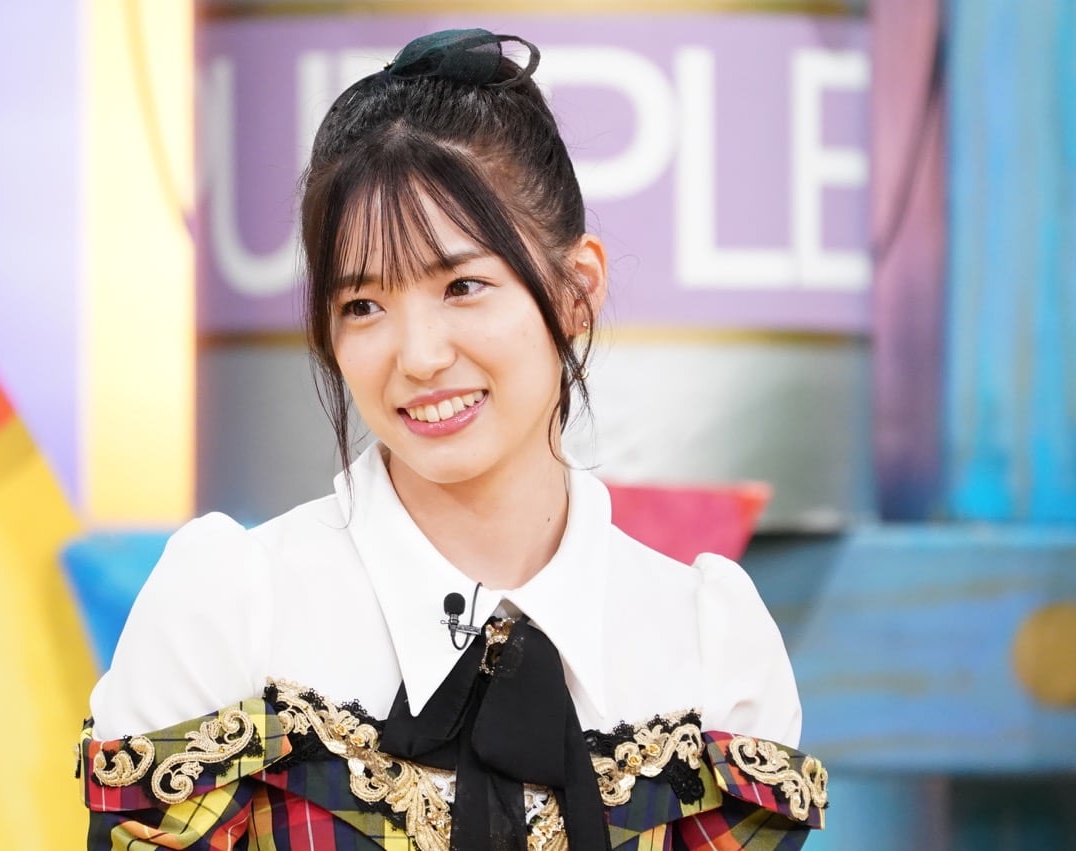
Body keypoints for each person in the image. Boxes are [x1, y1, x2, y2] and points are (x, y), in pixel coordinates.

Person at [79, 29, 827, 850]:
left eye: (463, 286)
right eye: (364, 305)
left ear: (576, 291)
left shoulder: (709, 647)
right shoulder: (232, 611)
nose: (420, 356)